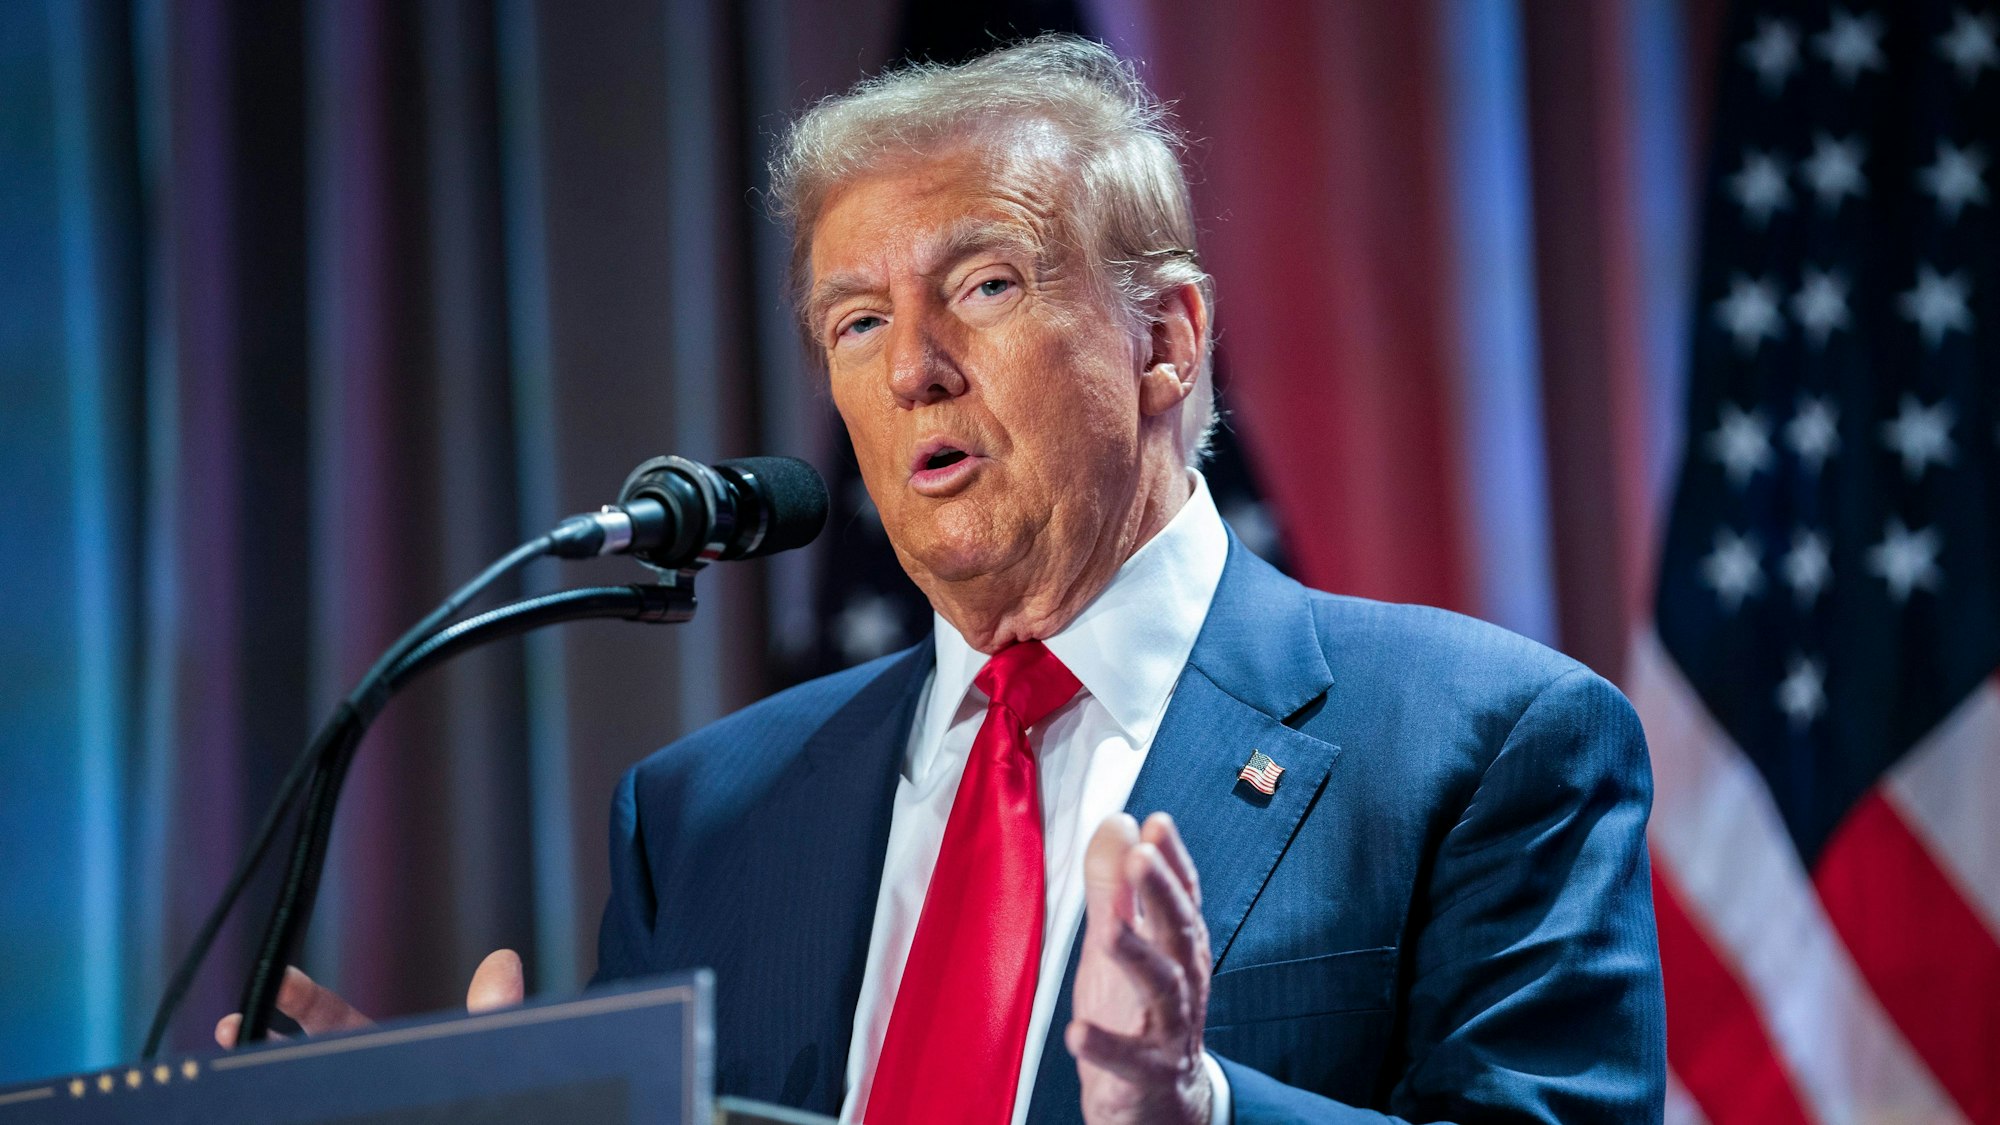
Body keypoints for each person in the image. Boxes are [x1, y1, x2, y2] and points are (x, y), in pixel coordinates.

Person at [222, 35, 1665, 1124]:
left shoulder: (1486, 743)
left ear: (1165, 338)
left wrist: (1197, 1107)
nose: (912, 368)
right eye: (856, 320)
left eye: (982, 287)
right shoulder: (703, 817)